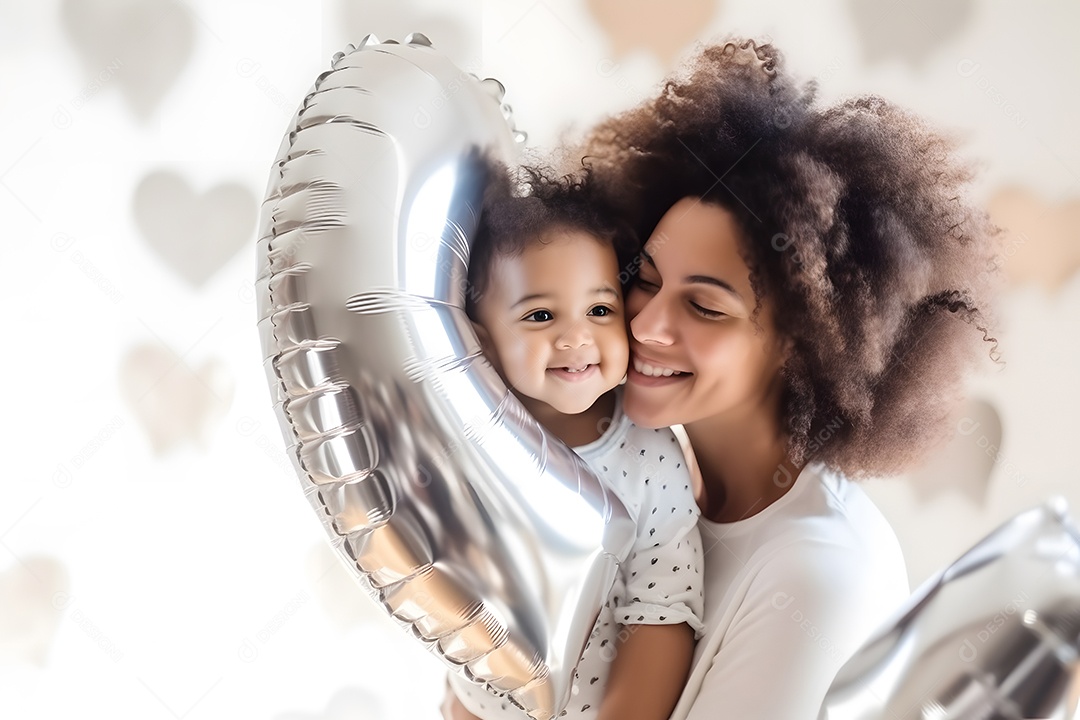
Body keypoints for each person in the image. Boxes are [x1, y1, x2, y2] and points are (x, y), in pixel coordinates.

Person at [446, 36, 999, 719]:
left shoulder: (821, 571)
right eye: (641, 282)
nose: (645, 325)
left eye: (704, 306)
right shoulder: (639, 475)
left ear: (803, 345)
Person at [445, 165, 706, 720]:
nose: (576, 336)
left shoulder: (648, 455)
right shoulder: (471, 442)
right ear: (482, 340)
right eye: (540, 315)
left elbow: (661, 611)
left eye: (600, 310)